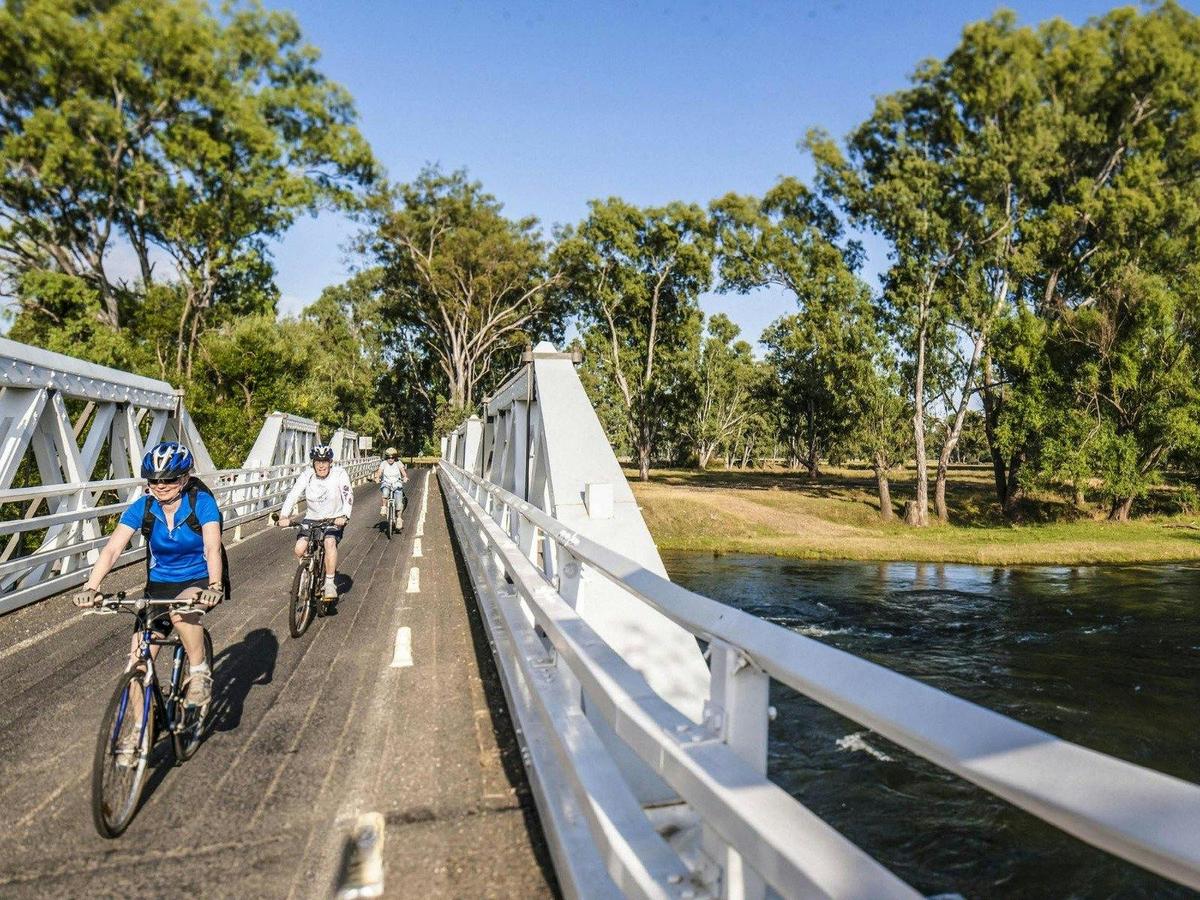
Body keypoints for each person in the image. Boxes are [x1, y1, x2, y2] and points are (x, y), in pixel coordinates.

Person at [72, 441, 224, 709]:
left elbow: (212, 547)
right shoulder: (142, 508)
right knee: (136, 666)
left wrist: (215, 585)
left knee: (179, 613)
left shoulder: (202, 503)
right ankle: (140, 729)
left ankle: (199, 671)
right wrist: (92, 588)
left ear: (184, 478)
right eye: (154, 480)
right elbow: (112, 549)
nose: (160, 485)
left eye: (169, 479)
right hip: (159, 585)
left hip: (198, 580)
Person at [277, 444, 352, 604]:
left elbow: (347, 494)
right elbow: (293, 494)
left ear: (330, 462)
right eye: (318, 461)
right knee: (299, 549)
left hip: (333, 518)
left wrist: (345, 515)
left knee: (329, 542)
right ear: (313, 463)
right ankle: (306, 574)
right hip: (312, 518)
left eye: (325, 461)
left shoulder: (339, 474)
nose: (321, 465)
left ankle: (329, 583)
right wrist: (284, 515)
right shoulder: (307, 475)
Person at [375, 447, 408, 528]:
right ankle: (384, 507)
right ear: (386, 457)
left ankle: (399, 519)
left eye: (392, 457)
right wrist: (377, 477)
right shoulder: (383, 463)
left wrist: (405, 477)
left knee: (399, 504)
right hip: (386, 483)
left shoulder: (398, 463)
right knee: (385, 493)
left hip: (397, 484)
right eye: (389, 457)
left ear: (395, 457)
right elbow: (379, 472)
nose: (390, 459)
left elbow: (403, 472)